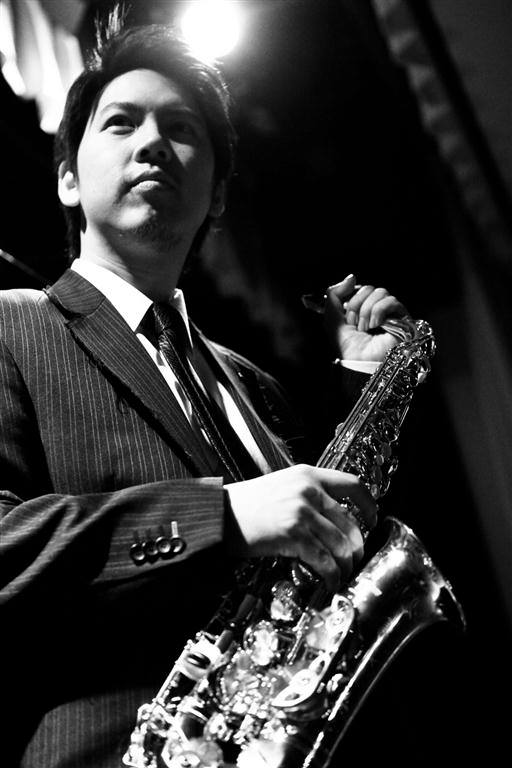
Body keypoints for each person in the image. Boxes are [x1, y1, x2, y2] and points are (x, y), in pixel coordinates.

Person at [0, 16, 408, 768]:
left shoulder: (252, 383)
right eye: (121, 122)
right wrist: (217, 516)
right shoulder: (9, 325)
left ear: (217, 195)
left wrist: (361, 382)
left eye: (181, 128)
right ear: (67, 179)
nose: (153, 142)